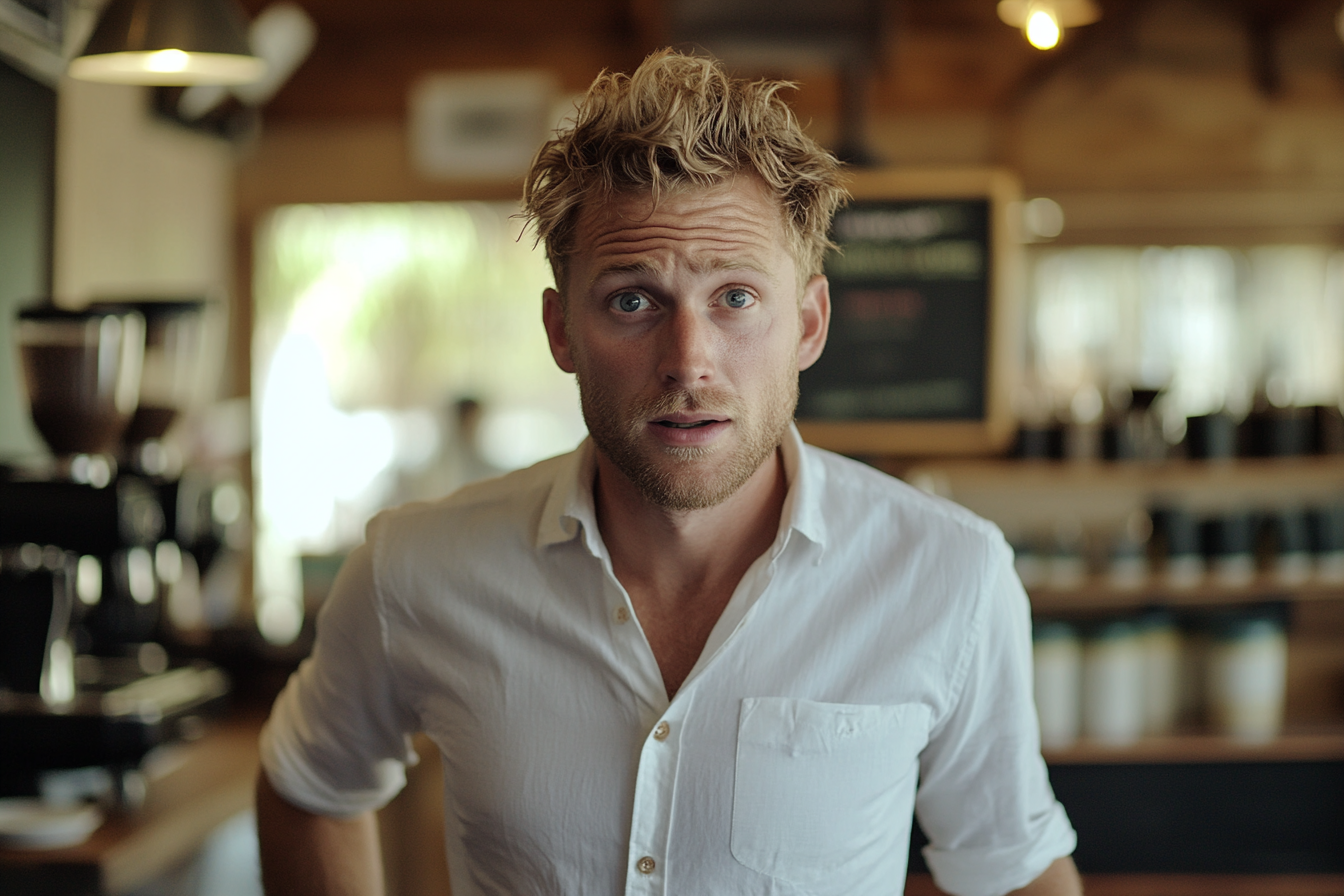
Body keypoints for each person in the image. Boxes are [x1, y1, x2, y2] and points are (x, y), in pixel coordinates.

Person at [256, 49, 1082, 896]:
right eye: (631, 299)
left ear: (807, 324)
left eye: (734, 298)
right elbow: (308, 787)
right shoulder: (415, 568)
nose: (689, 361)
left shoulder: (949, 574)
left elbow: (1017, 872)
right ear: (561, 331)